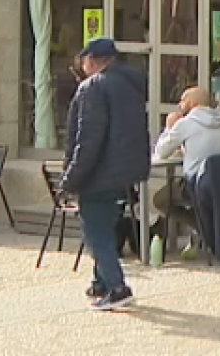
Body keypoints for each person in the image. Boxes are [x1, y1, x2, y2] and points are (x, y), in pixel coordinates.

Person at [62, 38, 152, 312]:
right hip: (125, 171)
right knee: (107, 226)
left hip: (100, 172)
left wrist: (71, 178)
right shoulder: (130, 85)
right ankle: (100, 282)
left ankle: (117, 288)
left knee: (95, 232)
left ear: (92, 60)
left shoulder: (93, 87)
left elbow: (88, 138)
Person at [149, 86, 220, 247]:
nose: (180, 104)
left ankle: (202, 226)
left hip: (196, 184)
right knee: (175, 192)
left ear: (193, 103)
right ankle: (207, 225)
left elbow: (161, 152)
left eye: (183, 100)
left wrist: (169, 127)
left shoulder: (186, 123)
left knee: (160, 199)